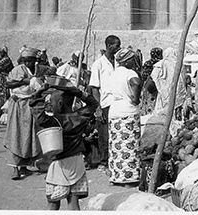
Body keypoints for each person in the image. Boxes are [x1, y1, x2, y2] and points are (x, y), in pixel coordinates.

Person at [30, 83, 99, 210]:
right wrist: (77, 92)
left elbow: (38, 114)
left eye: (51, 102)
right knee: (73, 203)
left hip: (59, 166)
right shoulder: (80, 116)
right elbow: (93, 104)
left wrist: (38, 94)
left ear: (60, 104)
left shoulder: (54, 121)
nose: (49, 105)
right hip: (77, 163)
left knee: (53, 203)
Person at [4, 47, 44, 180]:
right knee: (16, 134)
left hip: (30, 105)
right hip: (18, 106)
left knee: (27, 136)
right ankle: (14, 168)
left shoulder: (37, 70)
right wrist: (25, 81)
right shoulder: (18, 70)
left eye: (30, 61)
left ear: (35, 60)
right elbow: (8, 84)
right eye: (25, 61)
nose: (28, 63)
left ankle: (24, 166)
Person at [105, 48, 143, 185]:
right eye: (132, 59)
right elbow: (137, 83)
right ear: (127, 61)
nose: (134, 61)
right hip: (128, 111)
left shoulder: (113, 74)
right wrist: (135, 98)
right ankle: (130, 179)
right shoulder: (129, 73)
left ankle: (116, 177)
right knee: (129, 145)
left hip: (114, 110)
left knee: (116, 146)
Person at [89, 35, 121, 172]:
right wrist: (98, 108)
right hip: (105, 104)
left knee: (117, 134)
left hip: (118, 103)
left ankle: (115, 161)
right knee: (104, 135)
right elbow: (94, 88)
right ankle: (104, 162)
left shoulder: (118, 62)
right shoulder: (98, 64)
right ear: (109, 46)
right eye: (116, 45)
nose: (119, 48)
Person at [151, 47, 189, 120]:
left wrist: (161, 86)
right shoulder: (179, 65)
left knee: (164, 111)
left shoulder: (159, 65)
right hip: (176, 93)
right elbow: (183, 80)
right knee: (176, 109)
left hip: (163, 93)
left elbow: (154, 77)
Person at [139, 47, 162, 116]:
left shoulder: (147, 63)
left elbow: (143, 76)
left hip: (147, 85)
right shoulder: (161, 64)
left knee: (147, 101)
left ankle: (146, 115)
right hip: (158, 86)